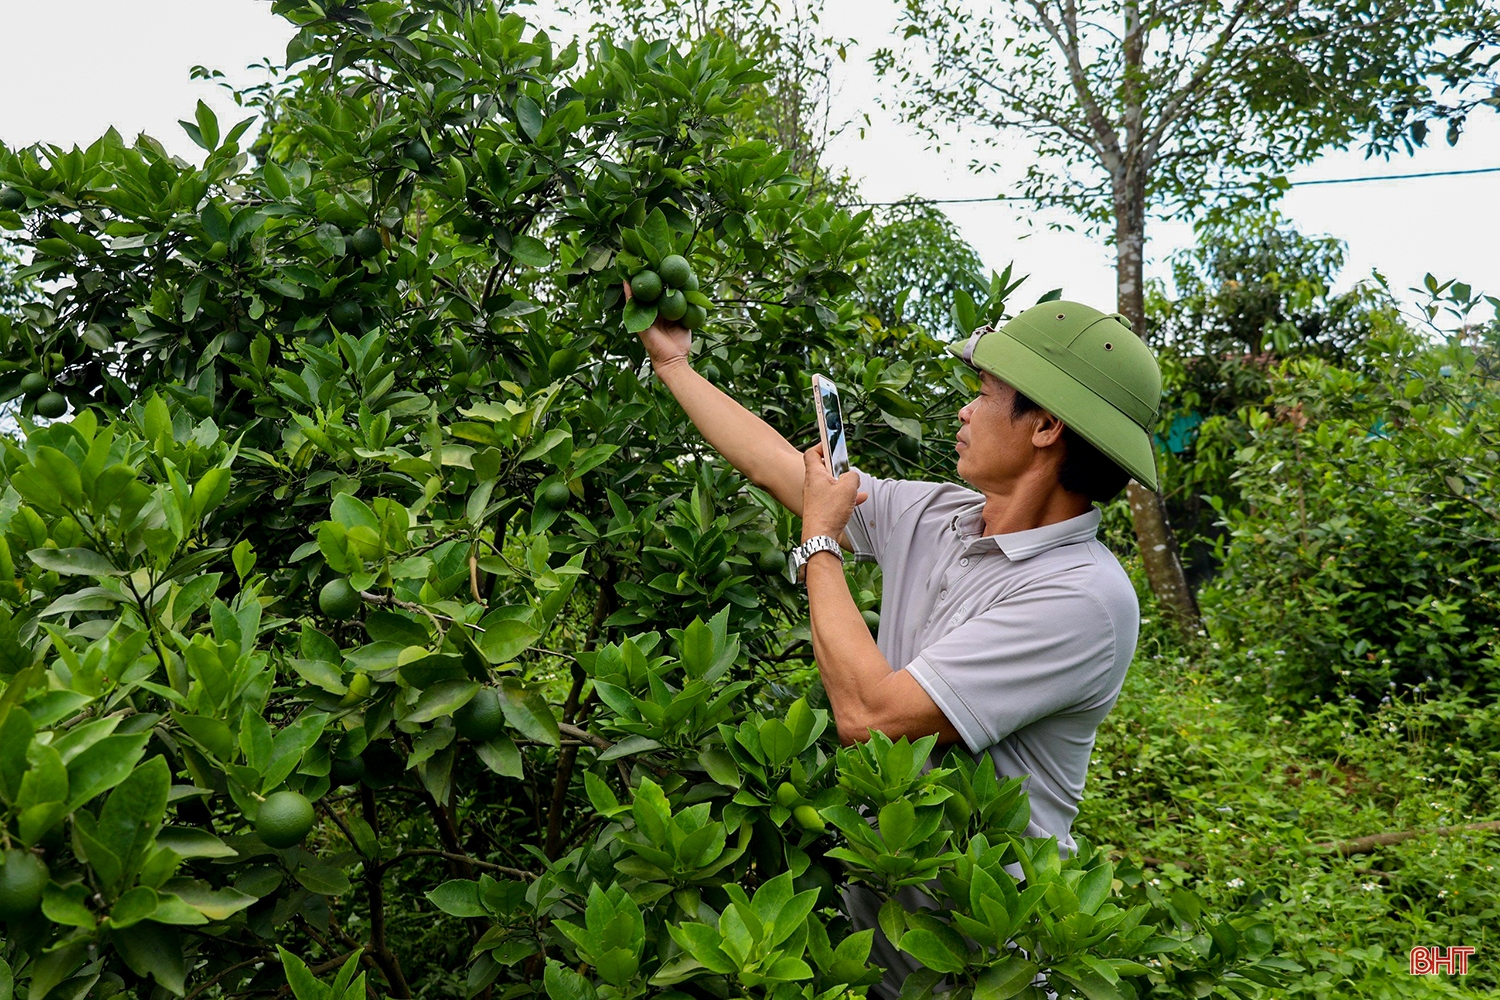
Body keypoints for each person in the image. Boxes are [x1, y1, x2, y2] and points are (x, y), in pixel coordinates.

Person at [630, 287, 1162, 999]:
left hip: (980, 968)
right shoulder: (944, 515)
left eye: (984, 394)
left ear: (1045, 429)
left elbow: (871, 719)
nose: (965, 411)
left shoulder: (1083, 599)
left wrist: (819, 543)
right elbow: (781, 470)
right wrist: (675, 366)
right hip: (878, 949)